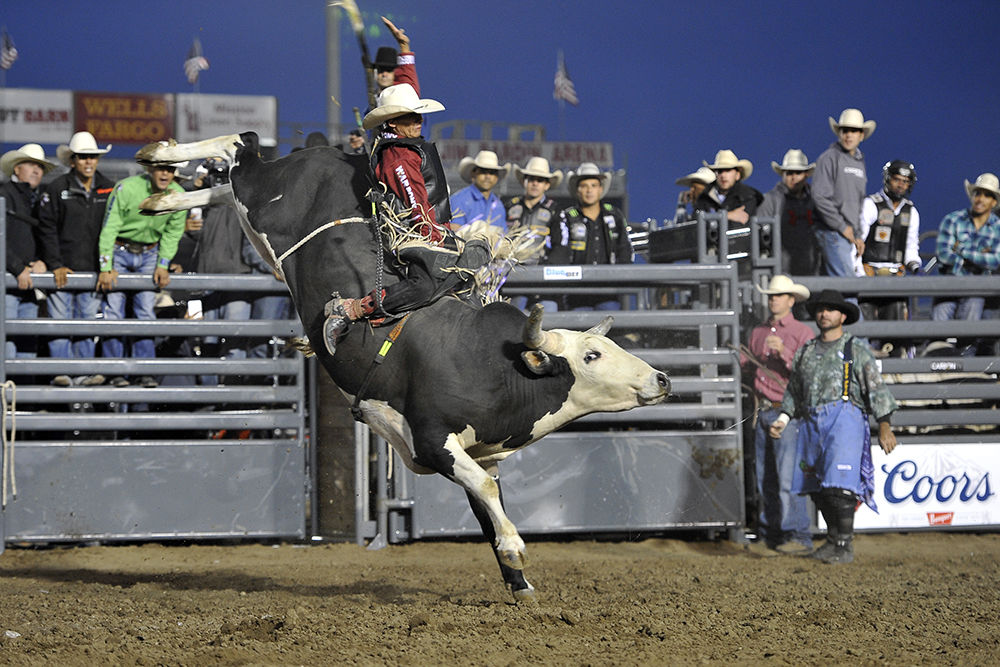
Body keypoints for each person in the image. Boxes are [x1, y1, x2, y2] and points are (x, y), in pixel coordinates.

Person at [322, 22, 490, 354]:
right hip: (411, 230)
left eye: (418, 117)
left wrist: (405, 51)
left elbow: (406, 87)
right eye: (411, 118)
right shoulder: (398, 156)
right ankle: (353, 310)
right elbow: (414, 201)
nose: (418, 122)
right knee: (424, 285)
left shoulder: (402, 141)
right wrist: (440, 235)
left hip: (429, 223)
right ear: (394, 122)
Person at [769, 289, 898, 564]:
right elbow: (794, 390)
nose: (824, 314)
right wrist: (783, 419)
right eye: (820, 309)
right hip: (813, 421)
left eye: (830, 310)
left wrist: (884, 425)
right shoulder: (807, 350)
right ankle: (833, 540)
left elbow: (876, 388)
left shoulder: (855, 349)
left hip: (845, 418)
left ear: (842, 316)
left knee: (839, 485)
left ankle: (844, 543)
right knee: (818, 486)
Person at [96, 162, 189, 388]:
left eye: (170, 169)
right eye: (160, 168)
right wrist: (106, 265)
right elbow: (110, 226)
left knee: (145, 311)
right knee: (114, 311)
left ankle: (144, 370)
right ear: (150, 170)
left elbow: (173, 232)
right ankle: (114, 370)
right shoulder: (126, 188)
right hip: (120, 250)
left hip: (150, 252)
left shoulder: (180, 196)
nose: (165, 173)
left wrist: (163, 263)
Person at [741, 275, 814, 554]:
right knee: (766, 478)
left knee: (787, 479)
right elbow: (749, 367)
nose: (773, 299)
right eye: (771, 295)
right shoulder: (758, 332)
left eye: (779, 295)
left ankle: (797, 534)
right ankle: (772, 534)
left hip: (788, 413)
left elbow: (808, 373)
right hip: (763, 411)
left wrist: (784, 353)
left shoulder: (801, 333)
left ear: (791, 300)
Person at [37, 132, 114, 386]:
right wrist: (56, 264)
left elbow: (115, 228)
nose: (88, 162)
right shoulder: (57, 188)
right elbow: (46, 229)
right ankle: (62, 372)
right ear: (73, 161)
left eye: (92, 157)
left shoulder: (108, 188)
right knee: (61, 323)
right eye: (83, 157)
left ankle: (82, 375)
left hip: (93, 270)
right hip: (64, 270)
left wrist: (107, 265)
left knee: (87, 325)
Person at [549, 162, 633, 310]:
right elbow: (560, 251)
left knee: (610, 329)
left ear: (600, 189)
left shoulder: (614, 215)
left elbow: (625, 248)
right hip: (576, 293)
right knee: (579, 330)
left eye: (594, 185)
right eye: (584, 186)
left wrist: (620, 278)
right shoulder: (567, 217)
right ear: (577, 190)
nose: (589, 190)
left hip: (608, 292)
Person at [1, 143, 56, 360]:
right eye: (31, 165)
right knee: (8, 345)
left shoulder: (39, 198)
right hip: (8, 282)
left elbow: (44, 235)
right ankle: (9, 393)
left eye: (40, 167)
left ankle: (23, 392)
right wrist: (17, 268)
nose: (36, 170)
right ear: (16, 169)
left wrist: (41, 260)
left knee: (26, 345)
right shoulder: (3, 194)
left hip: (27, 283)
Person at [812, 108, 875, 277]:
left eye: (853, 131)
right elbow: (819, 196)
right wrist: (842, 226)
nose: (849, 135)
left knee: (836, 290)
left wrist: (858, 235)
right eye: (845, 130)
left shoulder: (860, 163)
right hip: (832, 232)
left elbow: (859, 202)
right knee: (848, 289)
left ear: (861, 135)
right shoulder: (829, 158)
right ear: (839, 133)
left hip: (847, 236)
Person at [857, 160, 921, 322]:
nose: (900, 185)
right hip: (869, 272)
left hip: (895, 275)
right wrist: (859, 272)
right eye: (896, 179)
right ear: (887, 179)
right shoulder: (870, 204)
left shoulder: (911, 211)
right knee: (865, 325)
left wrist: (914, 264)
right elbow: (857, 242)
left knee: (897, 325)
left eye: (905, 182)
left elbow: (911, 245)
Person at [932, 173, 1000, 323]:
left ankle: (966, 345)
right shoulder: (953, 219)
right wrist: (978, 258)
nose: (980, 199)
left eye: (987, 195)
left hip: (978, 286)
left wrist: (961, 252)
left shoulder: (997, 227)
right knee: (939, 321)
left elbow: (995, 260)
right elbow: (943, 254)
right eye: (978, 193)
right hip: (949, 283)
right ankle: (939, 344)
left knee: (973, 308)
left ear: (994, 202)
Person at [758, 149, 822, 276]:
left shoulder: (816, 200)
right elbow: (760, 235)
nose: (793, 177)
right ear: (783, 175)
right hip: (782, 270)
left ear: (806, 175)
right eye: (789, 173)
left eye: (798, 173)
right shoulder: (770, 200)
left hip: (812, 268)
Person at [694, 150, 763, 224]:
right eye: (720, 171)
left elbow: (742, 221)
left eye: (728, 170)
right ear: (716, 174)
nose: (723, 175)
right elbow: (695, 222)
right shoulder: (704, 197)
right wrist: (728, 216)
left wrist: (711, 217)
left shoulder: (748, 196)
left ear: (737, 175)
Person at [449, 150, 510, 231]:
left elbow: (503, 234)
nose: (488, 176)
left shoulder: (498, 205)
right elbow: (454, 230)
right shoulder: (459, 200)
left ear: (496, 177)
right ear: (474, 174)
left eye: (492, 173)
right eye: (483, 171)